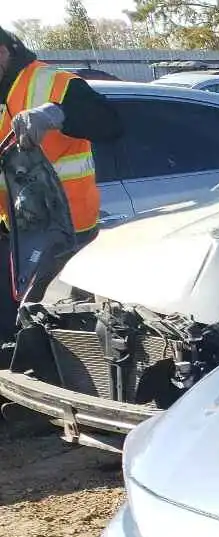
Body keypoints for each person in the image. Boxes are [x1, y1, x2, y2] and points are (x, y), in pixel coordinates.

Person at [0, 23, 121, 344]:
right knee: (14, 326)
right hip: (15, 230)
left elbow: (109, 124)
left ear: (3, 52)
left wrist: (55, 113)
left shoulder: (51, 82)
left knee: (48, 330)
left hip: (64, 234)